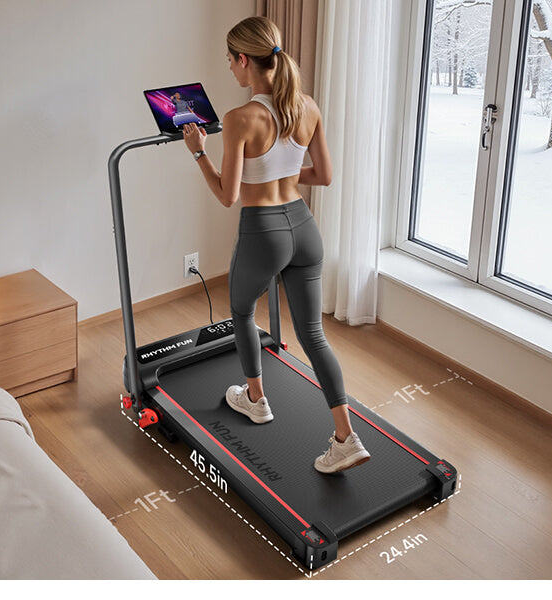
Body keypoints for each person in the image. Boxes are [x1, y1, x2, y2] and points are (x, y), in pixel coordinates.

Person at [181, 16, 368, 474]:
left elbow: (228, 194)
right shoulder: (306, 106)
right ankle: (346, 438)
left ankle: (257, 399)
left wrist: (199, 152)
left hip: (263, 231)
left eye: (230, 60)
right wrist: (281, 172)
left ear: (244, 60)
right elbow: (322, 176)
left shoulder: (240, 118)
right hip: (304, 227)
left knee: (243, 312)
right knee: (314, 335)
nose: (229, 68)